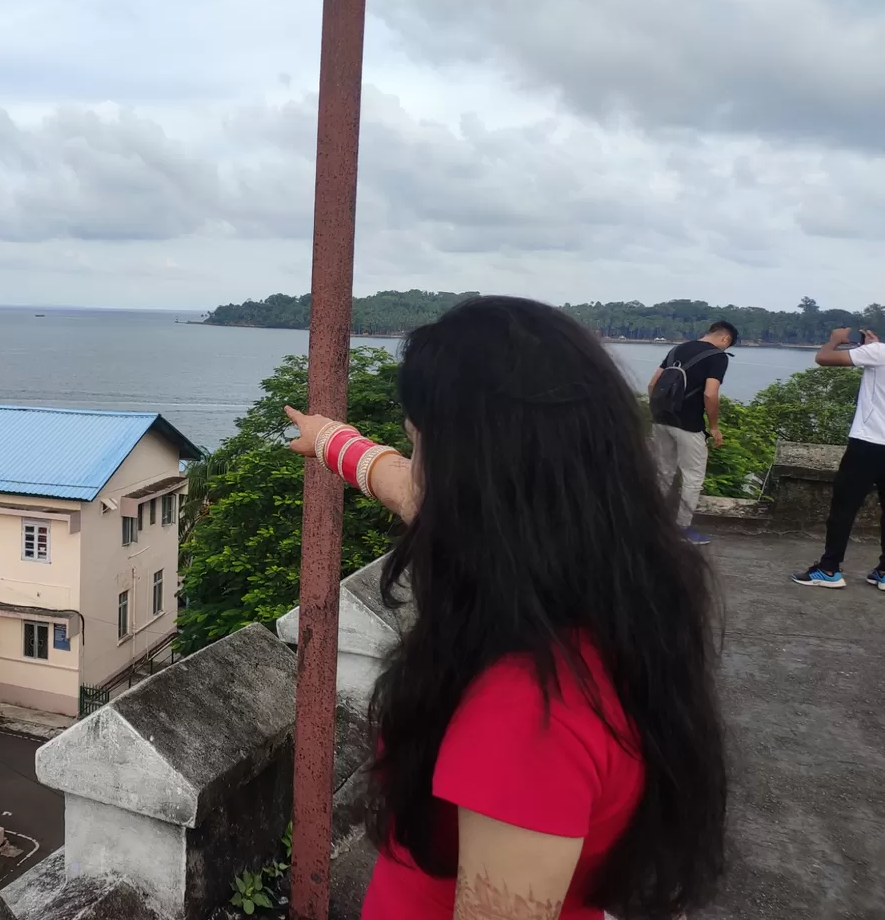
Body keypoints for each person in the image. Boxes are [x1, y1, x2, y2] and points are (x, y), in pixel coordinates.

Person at [284, 296, 725, 920]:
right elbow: (406, 488)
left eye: (425, 445)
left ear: (478, 478)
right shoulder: (600, 580)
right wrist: (332, 441)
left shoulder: (526, 716)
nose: (421, 472)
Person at [791, 327, 885, 589]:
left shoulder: (878, 353)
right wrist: (871, 348)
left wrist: (835, 339)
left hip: (868, 444)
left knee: (843, 509)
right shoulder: (876, 352)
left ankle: (829, 569)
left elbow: (823, 358)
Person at [646, 321, 738, 545]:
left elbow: (652, 385)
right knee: (693, 477)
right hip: (689, 425)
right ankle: (682, 528)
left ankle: (652, 521)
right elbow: (710, 394)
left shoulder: (677, 349)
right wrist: (714, 427)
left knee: (663, 472)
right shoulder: (717, 357)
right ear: (726, 339)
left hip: (660, 419)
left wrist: (659, 411)